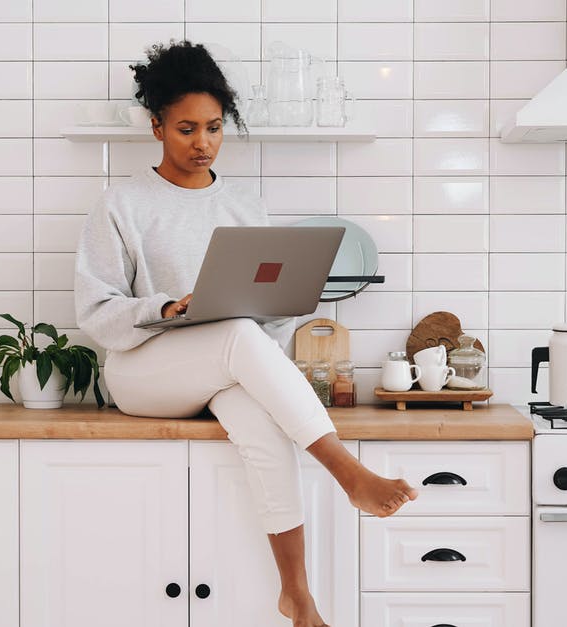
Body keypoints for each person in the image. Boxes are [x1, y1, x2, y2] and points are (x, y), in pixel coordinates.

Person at [73, 41, 417, 627]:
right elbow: (95, 310)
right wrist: (169, 308)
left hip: (224, 365)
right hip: (141, 371)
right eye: (185, 128)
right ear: (156, 126)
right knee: (233, 330)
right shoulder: (122, 203)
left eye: (213, 127)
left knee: (264, 430)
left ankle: (297, 596)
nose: (202, 142)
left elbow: (272, 317)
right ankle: (346, 470)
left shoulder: (243, 203)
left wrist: (269, 315)